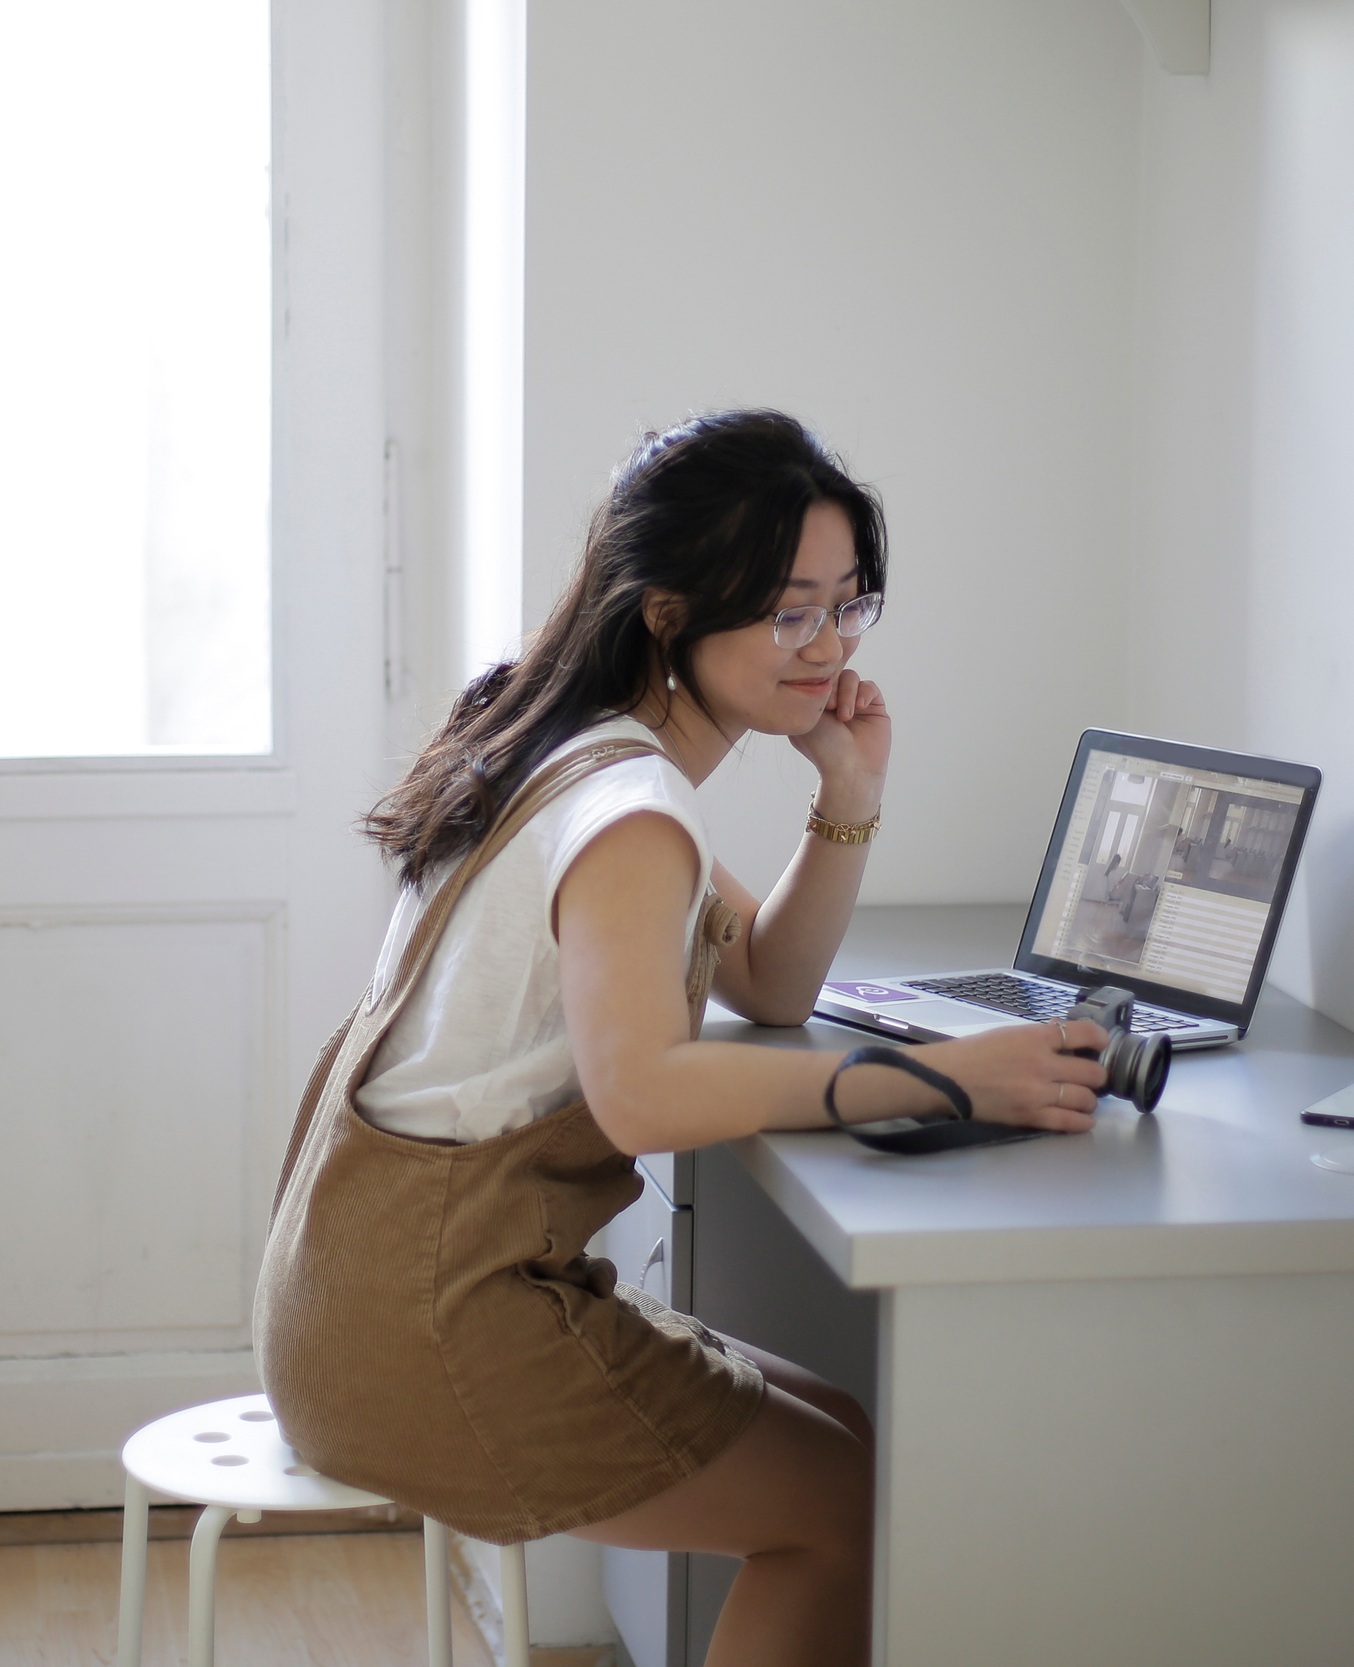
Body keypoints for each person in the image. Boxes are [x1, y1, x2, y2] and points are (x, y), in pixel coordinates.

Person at [254, 410, 1109, 1667]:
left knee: (852, 1442)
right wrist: (948, 1080)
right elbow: (645, 1094)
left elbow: (764, 981)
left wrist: (849, 797)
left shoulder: (572, 745)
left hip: (361, 1287)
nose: (826, 647)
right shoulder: (629, 807)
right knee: (837, 1508)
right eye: (786, 612)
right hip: (433, 1321)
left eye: (848, 605)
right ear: (667, 612)